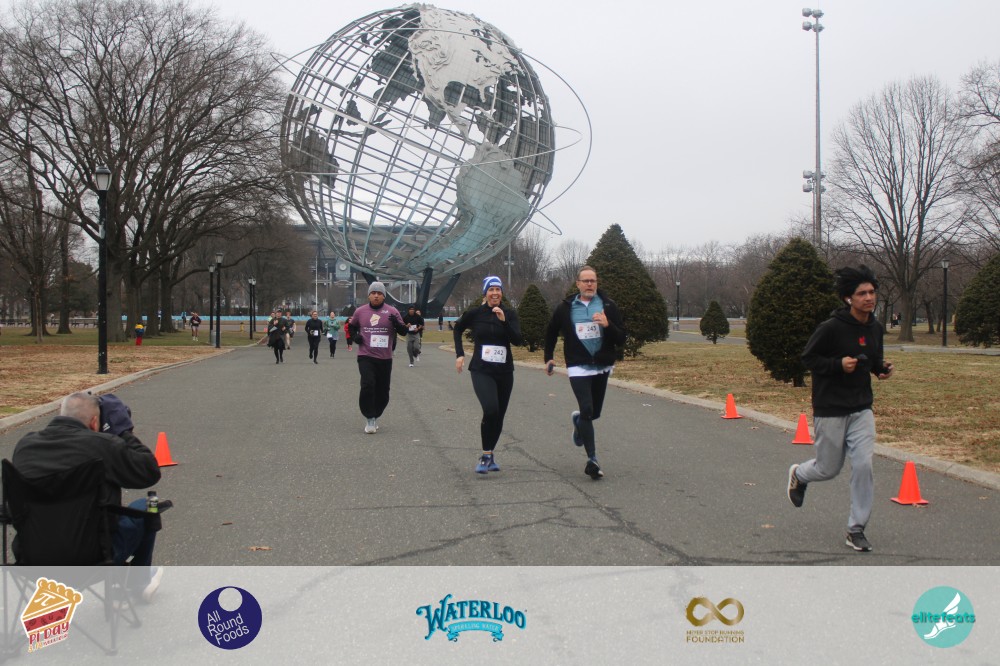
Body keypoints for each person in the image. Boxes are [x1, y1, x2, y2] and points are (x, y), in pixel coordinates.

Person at [12, 392, 164, 600]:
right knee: (147, 506)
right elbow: (149, 471)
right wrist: (123, 432)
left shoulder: (25, 447)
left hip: (31, 560)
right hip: (94, 560)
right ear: (94, 422)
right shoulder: (102, 445)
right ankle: (137, 583)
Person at [788, 265, 893, 553]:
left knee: (863, 465)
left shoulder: (875, 328)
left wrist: (881, 369)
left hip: (861, 408)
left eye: (872, 292)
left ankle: (855, 529)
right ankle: (800, 474)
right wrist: (838, 365)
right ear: (849, 298)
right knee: (828, 468)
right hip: (831, 407)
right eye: (862, 293)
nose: (869, 297)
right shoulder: (831, 328)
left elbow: (873, 360)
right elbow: (809, 358)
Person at [543, 266, 627, 480]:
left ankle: (578, 421)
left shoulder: (608, 305)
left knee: (594, 413)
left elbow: (621, 338)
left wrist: (608, 325)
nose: (590, 284)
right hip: (577, 365)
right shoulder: (566, 307)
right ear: (578, 284)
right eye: (586, 281)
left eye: (593, 281)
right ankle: (592, 460)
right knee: (587, 409)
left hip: (601, 364)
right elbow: (551, 331)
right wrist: (548, 357)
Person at [454, 276, 523, 474]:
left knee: (499, 415)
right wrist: (460, 354)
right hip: (481, 370)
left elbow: (518, 340)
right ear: (485, 293)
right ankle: (485, 456)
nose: (495, 293)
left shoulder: (509, 313)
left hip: (504, 372)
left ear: (501, 293)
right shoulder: (476, 313)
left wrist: (504, 322)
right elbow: (458, 328)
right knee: (491, 409)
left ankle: (490, 454)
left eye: (498, 289)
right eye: (491, 289)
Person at [347, 282, 409, 433]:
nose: (376, 296)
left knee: (383, 391)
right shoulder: (360, 311)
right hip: (365, 355)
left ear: (384, 296)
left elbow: (403, 332)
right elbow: (351, 326)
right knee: (367, 384)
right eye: (373, 293)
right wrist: (355, 337)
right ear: (369, 295)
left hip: (385, 358)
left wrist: (396, 323)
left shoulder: (392, 311)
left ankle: (375, 415)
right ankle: (369, 417)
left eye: (379, 293)